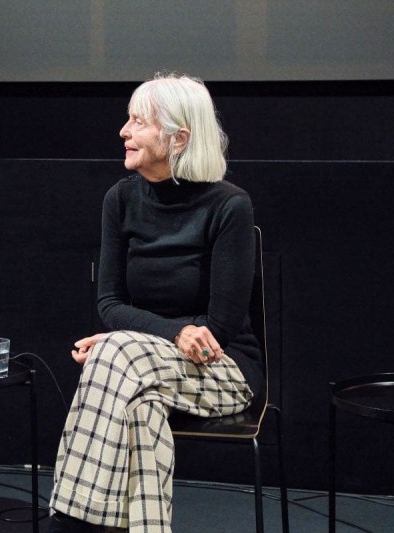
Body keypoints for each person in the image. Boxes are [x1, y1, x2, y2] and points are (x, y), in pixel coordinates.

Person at [47, 73, 263, 532]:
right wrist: (152, 335)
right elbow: (109, 302)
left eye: (138, 122)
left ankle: (68, 521)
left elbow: (218, 329)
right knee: (140, 411)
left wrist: (131, 338)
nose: (123, 132)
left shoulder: (230, 206)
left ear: (179, 136)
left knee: (112, 350)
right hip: (140, 367)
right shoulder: (120, 199)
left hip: (222, 368)